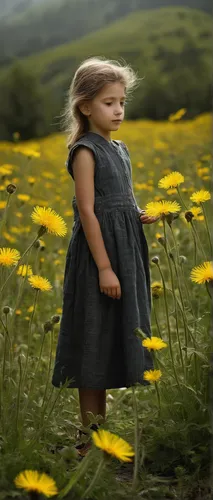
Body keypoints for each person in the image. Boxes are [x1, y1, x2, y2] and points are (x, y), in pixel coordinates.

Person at [51, 56, 160, 457]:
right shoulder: (85, 151)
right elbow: (86, 210)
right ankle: (87, 439)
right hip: (99, 259)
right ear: (84, 106)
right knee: (93, 337)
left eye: (121, 101)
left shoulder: (122, 149)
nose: (117, 110)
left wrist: (137, 215)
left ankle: (101, 434)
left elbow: (119, 200)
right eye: (108, 102)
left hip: (125, 253)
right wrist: (104, 267)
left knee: (115, 336)